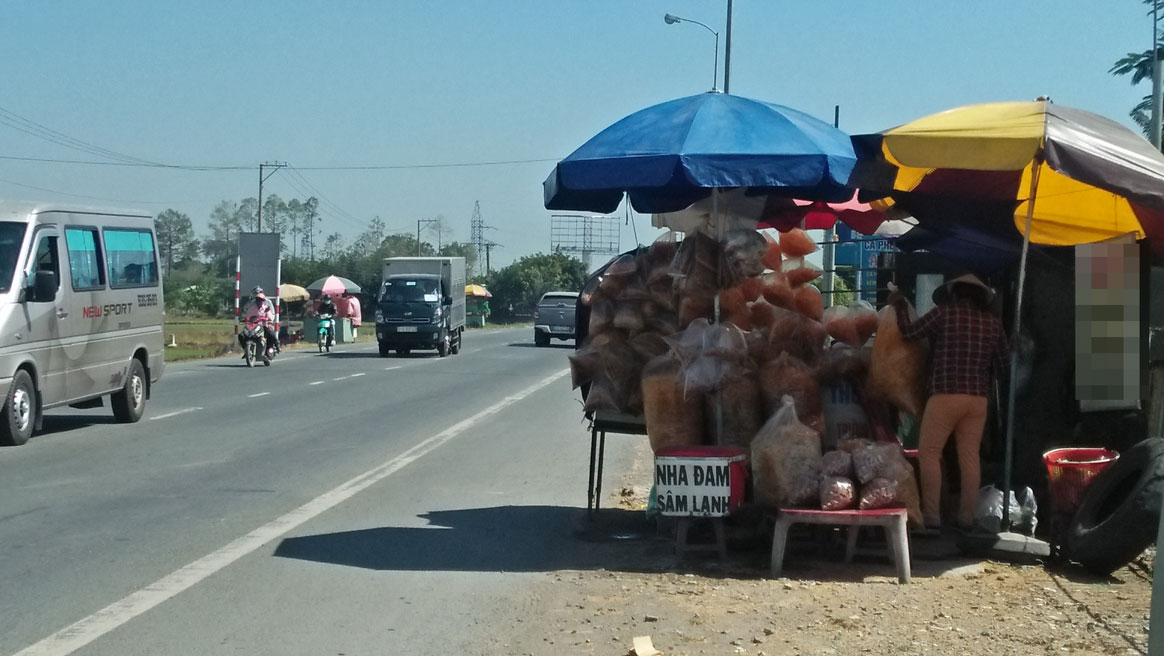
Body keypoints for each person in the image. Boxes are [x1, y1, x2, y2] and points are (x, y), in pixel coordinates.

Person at [891, 273, 1008, 535]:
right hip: (977, 400)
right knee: (969, 458)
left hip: (945, 394)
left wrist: (900, 307)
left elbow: (909, 333)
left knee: (930, 453)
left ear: (954, 294)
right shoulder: (992, 324)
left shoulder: (943, 314)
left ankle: (932, 515)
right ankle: (966, 518)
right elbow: (1003, 366)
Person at [243, 286, 278, 356]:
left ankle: (275, 346)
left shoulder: (267, 303)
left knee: (271, 334)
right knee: (243, 335)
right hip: (254, 324)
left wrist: (269, 321)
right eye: (257, 299)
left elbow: (272, 313)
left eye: (260, 300)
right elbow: (249, 314)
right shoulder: (252, 304)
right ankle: (247, 350)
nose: (258, 301)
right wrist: (247, 320)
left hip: (265, 323)